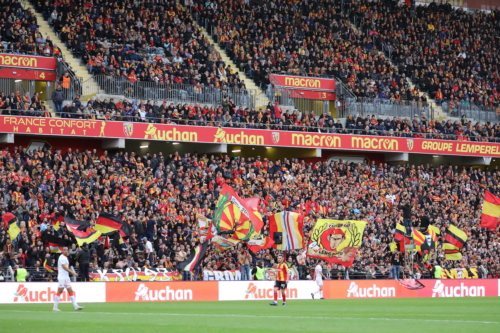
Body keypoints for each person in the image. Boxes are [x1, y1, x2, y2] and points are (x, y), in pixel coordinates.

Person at [53, 247, 84, 311]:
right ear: (62, 251)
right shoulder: (61, 258)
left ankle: (76, 306)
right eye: (64, 250)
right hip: (62, 277)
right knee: (60, 291)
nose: (66, 251)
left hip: (66, 277)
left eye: (67, 250)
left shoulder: (65, 257)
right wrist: (73, 273)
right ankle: (55, 307)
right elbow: (64, 267)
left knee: (70, 291)